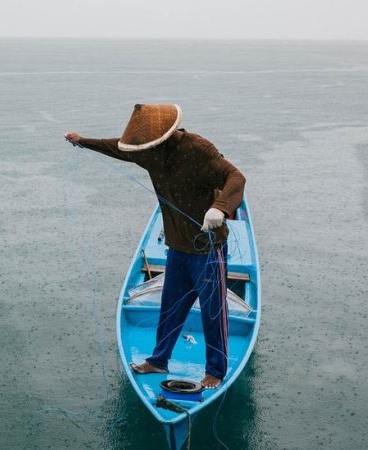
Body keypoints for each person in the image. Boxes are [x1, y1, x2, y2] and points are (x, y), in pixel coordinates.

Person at [64, 104, 246, 388]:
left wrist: (220, 208)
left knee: (213, 312)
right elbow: (117, 147)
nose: (139, 154)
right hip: (176, 248)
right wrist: (82, 141)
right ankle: (159, 361)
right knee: (170, 306)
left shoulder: (199, 149)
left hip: (207, 250)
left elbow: (236, 177)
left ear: (163, 138)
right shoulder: (148, 153)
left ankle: (215, 371)